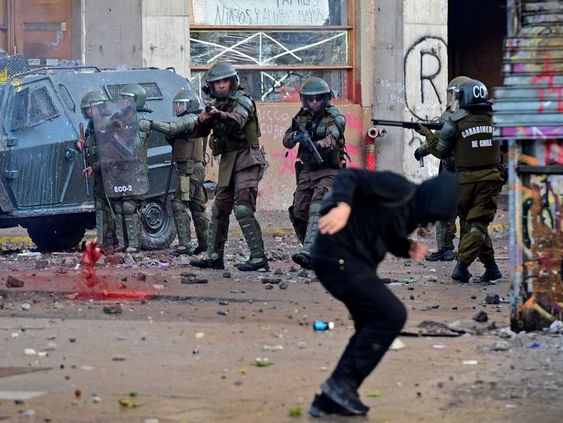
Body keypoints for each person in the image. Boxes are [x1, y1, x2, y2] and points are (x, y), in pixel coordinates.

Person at [308, 168, 459, 417]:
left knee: (371, 323)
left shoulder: (411, 213)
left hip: (351, 262)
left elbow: (385, 232)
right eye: (431, 215)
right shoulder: (398, 187)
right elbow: (350, 177)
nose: (427, 222)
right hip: (338, 255)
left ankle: (329, 401)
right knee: (391, 315)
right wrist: (343, 206)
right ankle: (340, 385)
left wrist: (406, 247)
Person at [415, 79, 503, 283]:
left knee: (476, 225)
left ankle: (480, 267)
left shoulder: (455, 121)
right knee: (477, 225)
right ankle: (474, 267)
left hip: (464, 182)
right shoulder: (498, 119)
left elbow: (440, 151)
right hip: (489, 180)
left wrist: (426, 134)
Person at [190, 61, 268, 271]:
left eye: (225, 81)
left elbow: (239, 120)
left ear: (233, 82)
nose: (222, 86)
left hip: (248, 159)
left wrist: (218, 115)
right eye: (217, 83)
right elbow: (196, 134)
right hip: (228, 162)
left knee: (242, 208)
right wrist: (203, 119)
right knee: (219, 209)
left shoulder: (243, 100)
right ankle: (214, 257)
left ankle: (259, 258)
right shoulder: (216, 106)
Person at [283, 77, 346, 270]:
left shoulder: (335, 117)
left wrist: (315, 144)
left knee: (317, 205)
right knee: (299, 211)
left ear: (326, 99)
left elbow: (332, 139)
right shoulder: (301, 117)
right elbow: (286, 140)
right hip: (308, 171)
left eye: (319, 99)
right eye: (311, 99)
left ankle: (310, 250)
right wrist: (296, 137)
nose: (315, 103)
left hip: (329, 170)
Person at [413, 76, 473, 262]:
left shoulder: (451, 118)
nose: (450, 98)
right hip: (469, 173)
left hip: (451, 172)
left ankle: (445, 248)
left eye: (452, 94)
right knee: (466, 214)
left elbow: (439, 144)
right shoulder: (477, 116)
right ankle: (466, 250)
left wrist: (422, 147)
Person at [150, 89, 209, 256]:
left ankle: (185, 244)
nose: (176, 107)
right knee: (197, 206)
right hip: (191, 168)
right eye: (176, 104)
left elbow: (172, 128)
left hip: (189, 170)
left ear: (190, 105)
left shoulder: (190, 119)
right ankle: (206, 242)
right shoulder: (193, 120)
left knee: (178, 204)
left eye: (180, 104)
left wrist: (151, 123)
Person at [111, 84, 152, 253]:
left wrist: (118, 136)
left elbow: (134, 147)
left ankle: (134, 244)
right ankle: (122, 243)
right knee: (119, 207)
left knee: (129, 207)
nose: (121, 102)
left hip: (135, 170)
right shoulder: (121, 117)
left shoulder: (140, 120)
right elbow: (103, 125)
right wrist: (114, 124)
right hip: (120, 170)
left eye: (125, 99)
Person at [76, 90, 117, 251]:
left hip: (109, 172)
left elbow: (111, 153)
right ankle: (103, 240)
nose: (87, 112)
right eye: (86, 109)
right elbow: (90, 143)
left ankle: (115, 239)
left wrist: (95, 166)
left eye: (90, 109)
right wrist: (81, 143)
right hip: (99, 172)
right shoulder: (92, 125)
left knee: (112, 206)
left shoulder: (107, 123)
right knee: (100, 206)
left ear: (99, 107)